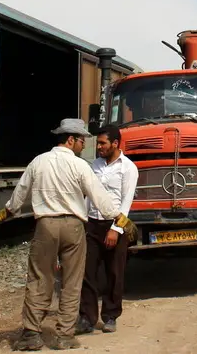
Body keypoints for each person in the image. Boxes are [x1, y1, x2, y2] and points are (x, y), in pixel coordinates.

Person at [0, 118, 137, 351]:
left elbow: (20, 193)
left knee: (39, 278)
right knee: (72, 282)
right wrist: (120, 219)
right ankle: (64, 336)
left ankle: (31, 333)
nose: (85, 146)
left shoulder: (38, 162)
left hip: (45, 226)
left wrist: (5, 212)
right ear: (71, 140)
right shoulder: (81, 166)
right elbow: (99, 197)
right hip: (74, 228)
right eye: (82, 141)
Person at [76, 126, 139, 336]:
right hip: (92, 224)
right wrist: (82, 222)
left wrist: (115, 229)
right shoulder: (95, 165)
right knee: (87, 272)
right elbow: (88, 196)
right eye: (98, 143)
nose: (99, 147)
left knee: (114, 272)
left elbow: (126, 201)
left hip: (114, 225)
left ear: (115, 143)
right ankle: (87, 317)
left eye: (103, 143)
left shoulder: (128, 168)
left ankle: (111, 316)